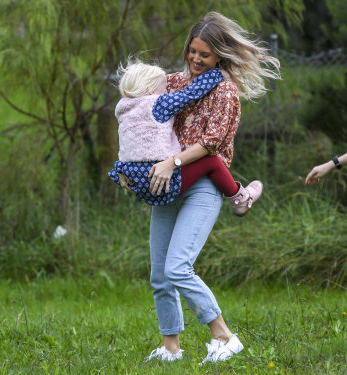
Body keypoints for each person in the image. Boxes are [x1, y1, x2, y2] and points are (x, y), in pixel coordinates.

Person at [119, 12, 280, 364]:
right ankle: (171, 348)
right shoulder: (175, 83)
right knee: (160, 275)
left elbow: (211, 143)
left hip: (201, 185)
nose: (195, 59)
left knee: (178, 267)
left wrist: (172, 161)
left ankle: (224, 336)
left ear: (219, 56)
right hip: (166, 186)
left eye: (204, 55)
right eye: (192, 51)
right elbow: (144, 108)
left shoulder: (225, 92)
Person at [109, 59, 263, 215]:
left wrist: (118, 170)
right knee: (212, 161)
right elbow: (191, 93)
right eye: (163, 87)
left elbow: (128, 143)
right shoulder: (158, 104)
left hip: (131, 177)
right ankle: (240, 199)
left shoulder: (124, 110)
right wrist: (218, 74)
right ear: (150, 89)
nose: (167, 91)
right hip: (159, 178)